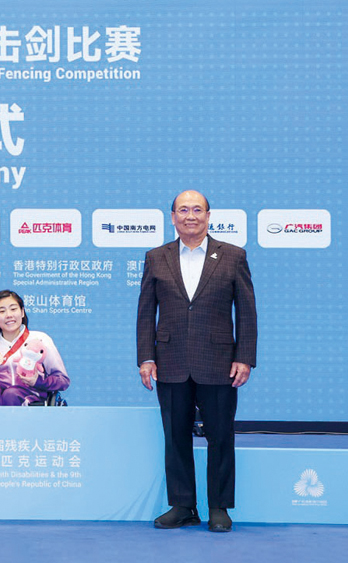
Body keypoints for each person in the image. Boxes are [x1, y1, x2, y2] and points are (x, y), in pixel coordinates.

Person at [137, 190, 257, 533]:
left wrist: (244, 357)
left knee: (221, 436)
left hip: (218, 361)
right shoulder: (156, 257)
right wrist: (146, 357)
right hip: (170, 360)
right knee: (175, 437)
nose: (190, 216)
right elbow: (145, 312)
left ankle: (219, 507)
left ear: (208, 216)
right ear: (173, 217)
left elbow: (246, 311)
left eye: (197, 210)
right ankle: (182, 505)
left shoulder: (233, 256)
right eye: (183, 210)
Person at [0, 290, 69, 405]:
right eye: (2, 311)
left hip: (31, 401)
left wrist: (38, 381)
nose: (9, 315)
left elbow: (62, 380)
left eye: (13, 309)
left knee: (11, 394)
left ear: (22, 312)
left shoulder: (40, 340)